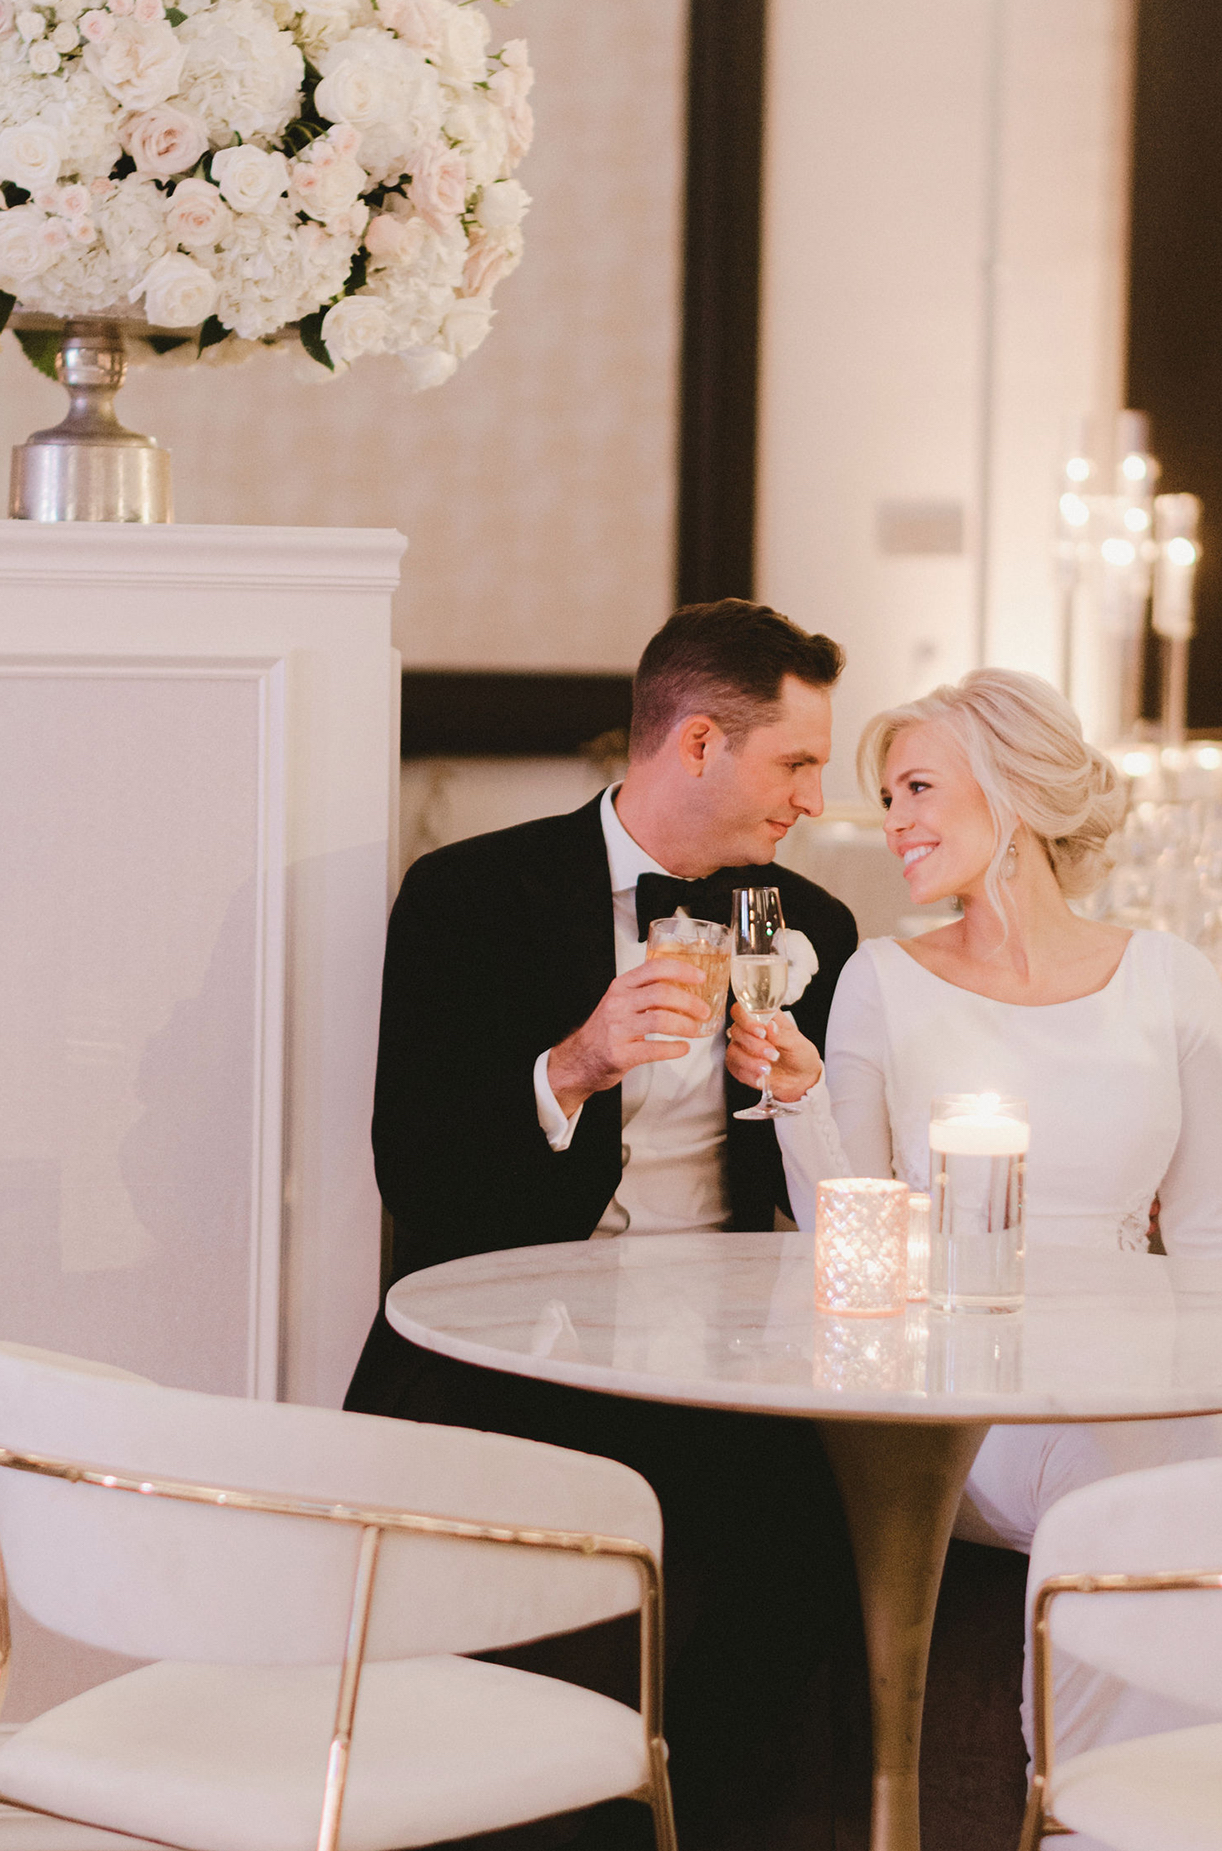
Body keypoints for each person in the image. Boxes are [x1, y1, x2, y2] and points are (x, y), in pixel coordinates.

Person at [345, 599, 863, 1848]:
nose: (812, 801)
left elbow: (823, 1192)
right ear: (695, 745)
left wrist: (798, 1091)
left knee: (806, 1578)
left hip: (736, 1349)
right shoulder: (470, 895)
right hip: (523, 1326)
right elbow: (412, 1168)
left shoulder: (809, 925)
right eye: (794, 764)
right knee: (539, 1611)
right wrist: (570, 1068)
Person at [727, 666, 1222, 1768]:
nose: (894, 822)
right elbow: (846, 1244)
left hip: (1149, 1370)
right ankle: (1100, 1808)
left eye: (919, 789)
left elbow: (1211, 1238)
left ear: (1014, 790)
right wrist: (796, 1098)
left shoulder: (1173, 978)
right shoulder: (880, 983)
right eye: (887, 796)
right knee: (1139, 1471)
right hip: (971, 1392)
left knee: (1214, 1458)